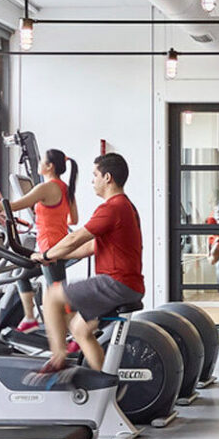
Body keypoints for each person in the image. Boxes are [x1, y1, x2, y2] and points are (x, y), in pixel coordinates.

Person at [33, 154, 144, 373]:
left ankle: (58, 359)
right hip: (129, 284)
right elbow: (91, 247)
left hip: (116, 282)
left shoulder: (111, 208)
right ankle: (106, 385)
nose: (92, 180)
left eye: (95, 175)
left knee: (52, 295)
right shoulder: (126, 207)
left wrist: (45, 255)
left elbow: (76, 238)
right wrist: (58, 256)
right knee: (80, 329)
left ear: (108, 177)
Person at [0, 149, 78, 331]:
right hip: (58, 243)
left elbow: (12, 206)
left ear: (49, 166)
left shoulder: (46, 187)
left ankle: (76, 334)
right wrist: (51, 219)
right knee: (21, 274)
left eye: (41, 160)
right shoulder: (65, 188)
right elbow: (73, 219)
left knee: (57, 292)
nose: (39, 164)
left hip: (49, 248)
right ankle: (30, 318)